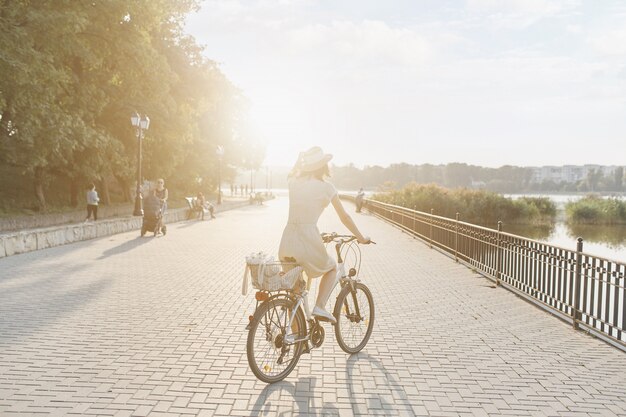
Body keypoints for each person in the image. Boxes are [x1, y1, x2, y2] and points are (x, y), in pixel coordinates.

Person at [278, 146, 371, 324]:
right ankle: (320, 306)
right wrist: (360, 237)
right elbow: (345, 216)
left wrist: (299, 160)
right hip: (307, 239)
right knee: (332, 268)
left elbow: (292, 172)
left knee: (296, 294)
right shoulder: (327, 188)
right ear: (324, 166)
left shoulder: (293, 183)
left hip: (287, 240)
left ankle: (296, 342)